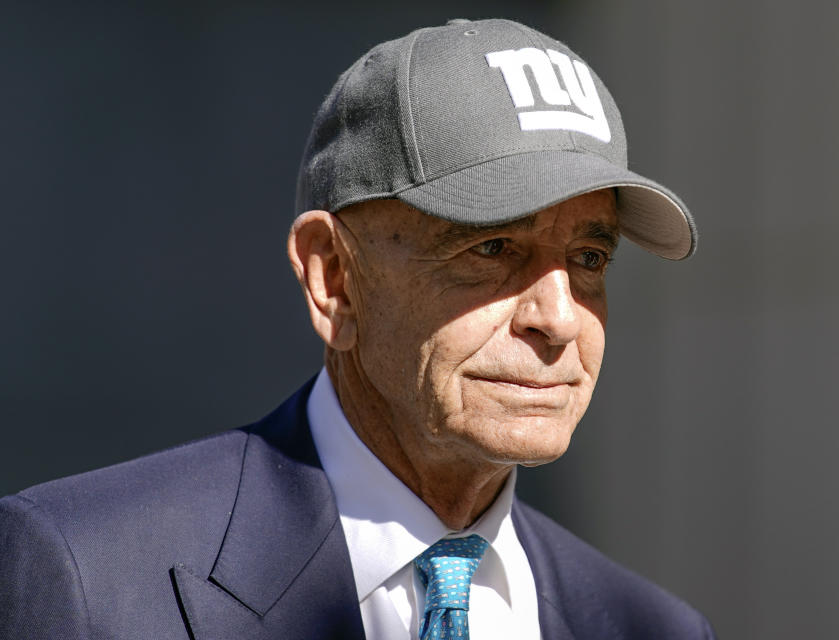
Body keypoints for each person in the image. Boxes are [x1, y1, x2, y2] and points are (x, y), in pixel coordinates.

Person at [0, 18, 714, 640]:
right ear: (334, 277)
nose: (558, 319)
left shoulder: (656, 628)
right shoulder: (84, 576)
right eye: (492, 249)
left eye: (590, 258)